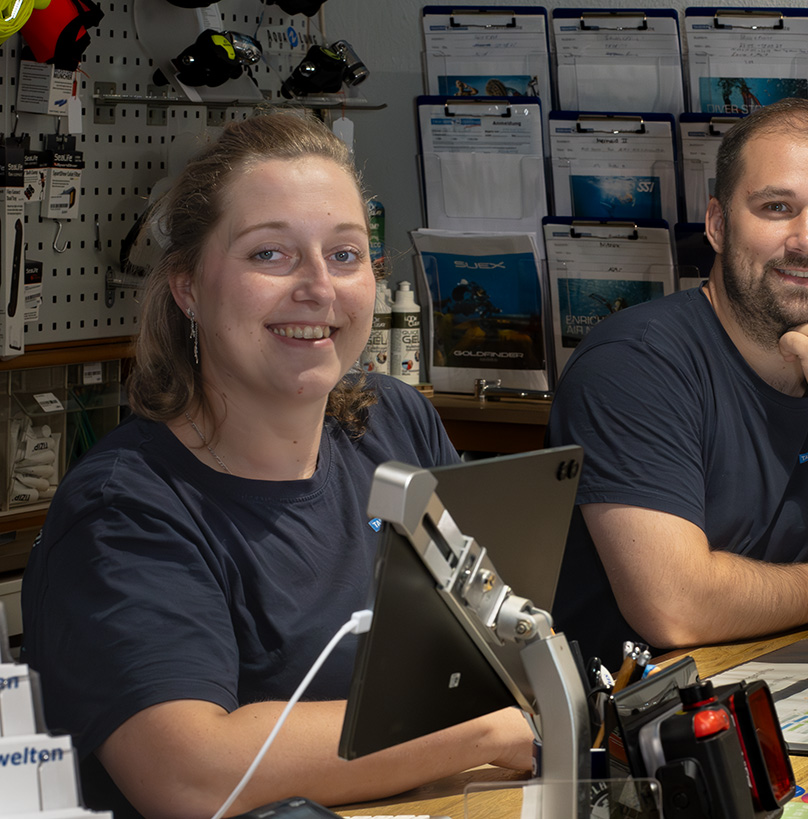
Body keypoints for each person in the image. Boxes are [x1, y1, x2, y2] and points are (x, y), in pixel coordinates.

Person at [20, 112, 533, 819]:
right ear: (187, 287)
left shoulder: (395, 424)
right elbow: (191, 773)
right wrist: (473, 728)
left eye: (345, 254)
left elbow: (500, 642)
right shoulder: (124, 510)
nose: (318, 287)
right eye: (270, 254)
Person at [546, 98, 808, 665]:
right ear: (718, 225)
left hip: (786, 684)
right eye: (776, 207)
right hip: (632, 707)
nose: (807, 240)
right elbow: (676, 607)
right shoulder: (634, 364)